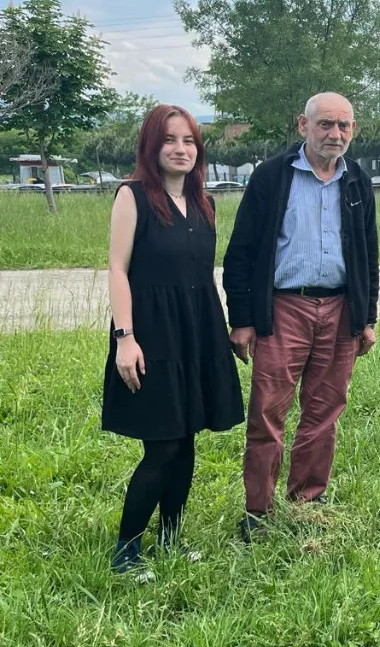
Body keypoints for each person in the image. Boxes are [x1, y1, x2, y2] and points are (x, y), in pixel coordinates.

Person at [223, 92, 380, 541]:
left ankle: (307, 499)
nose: (335, 134)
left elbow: (368, 254)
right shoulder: (272, 177)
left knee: (325, 409)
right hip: (283, 308)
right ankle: (258, 511)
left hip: (340, 308)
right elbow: (242, 252)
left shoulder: (357, 181)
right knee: (268, 411)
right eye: (325, 124)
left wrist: (367, 317)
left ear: (353, 130)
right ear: (302, 125)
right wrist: (243, 318)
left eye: (344, 126)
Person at [104, 104, 243, 575]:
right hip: (150, 333)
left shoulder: (205, 201)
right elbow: (118, 270)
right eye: (169, 140)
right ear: (152, 145)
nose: (180, 149)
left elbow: (201, 274)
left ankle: (170, 539)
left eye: (188, 140)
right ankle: (126, 550)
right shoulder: (133, 195)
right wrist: (126, 338)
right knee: (162, 445)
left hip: (197, 330)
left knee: (186, 443)